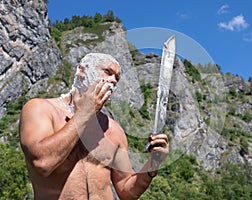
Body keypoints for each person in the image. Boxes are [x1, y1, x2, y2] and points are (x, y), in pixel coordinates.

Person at [19, 53, 169, 200]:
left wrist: (153, 164)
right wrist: (86, 113)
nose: (113, 81)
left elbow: (126, 191)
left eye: (117, 78)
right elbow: (42, 163)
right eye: (108, 72)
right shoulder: (41, 109)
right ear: (81, 71)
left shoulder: (114, 130)